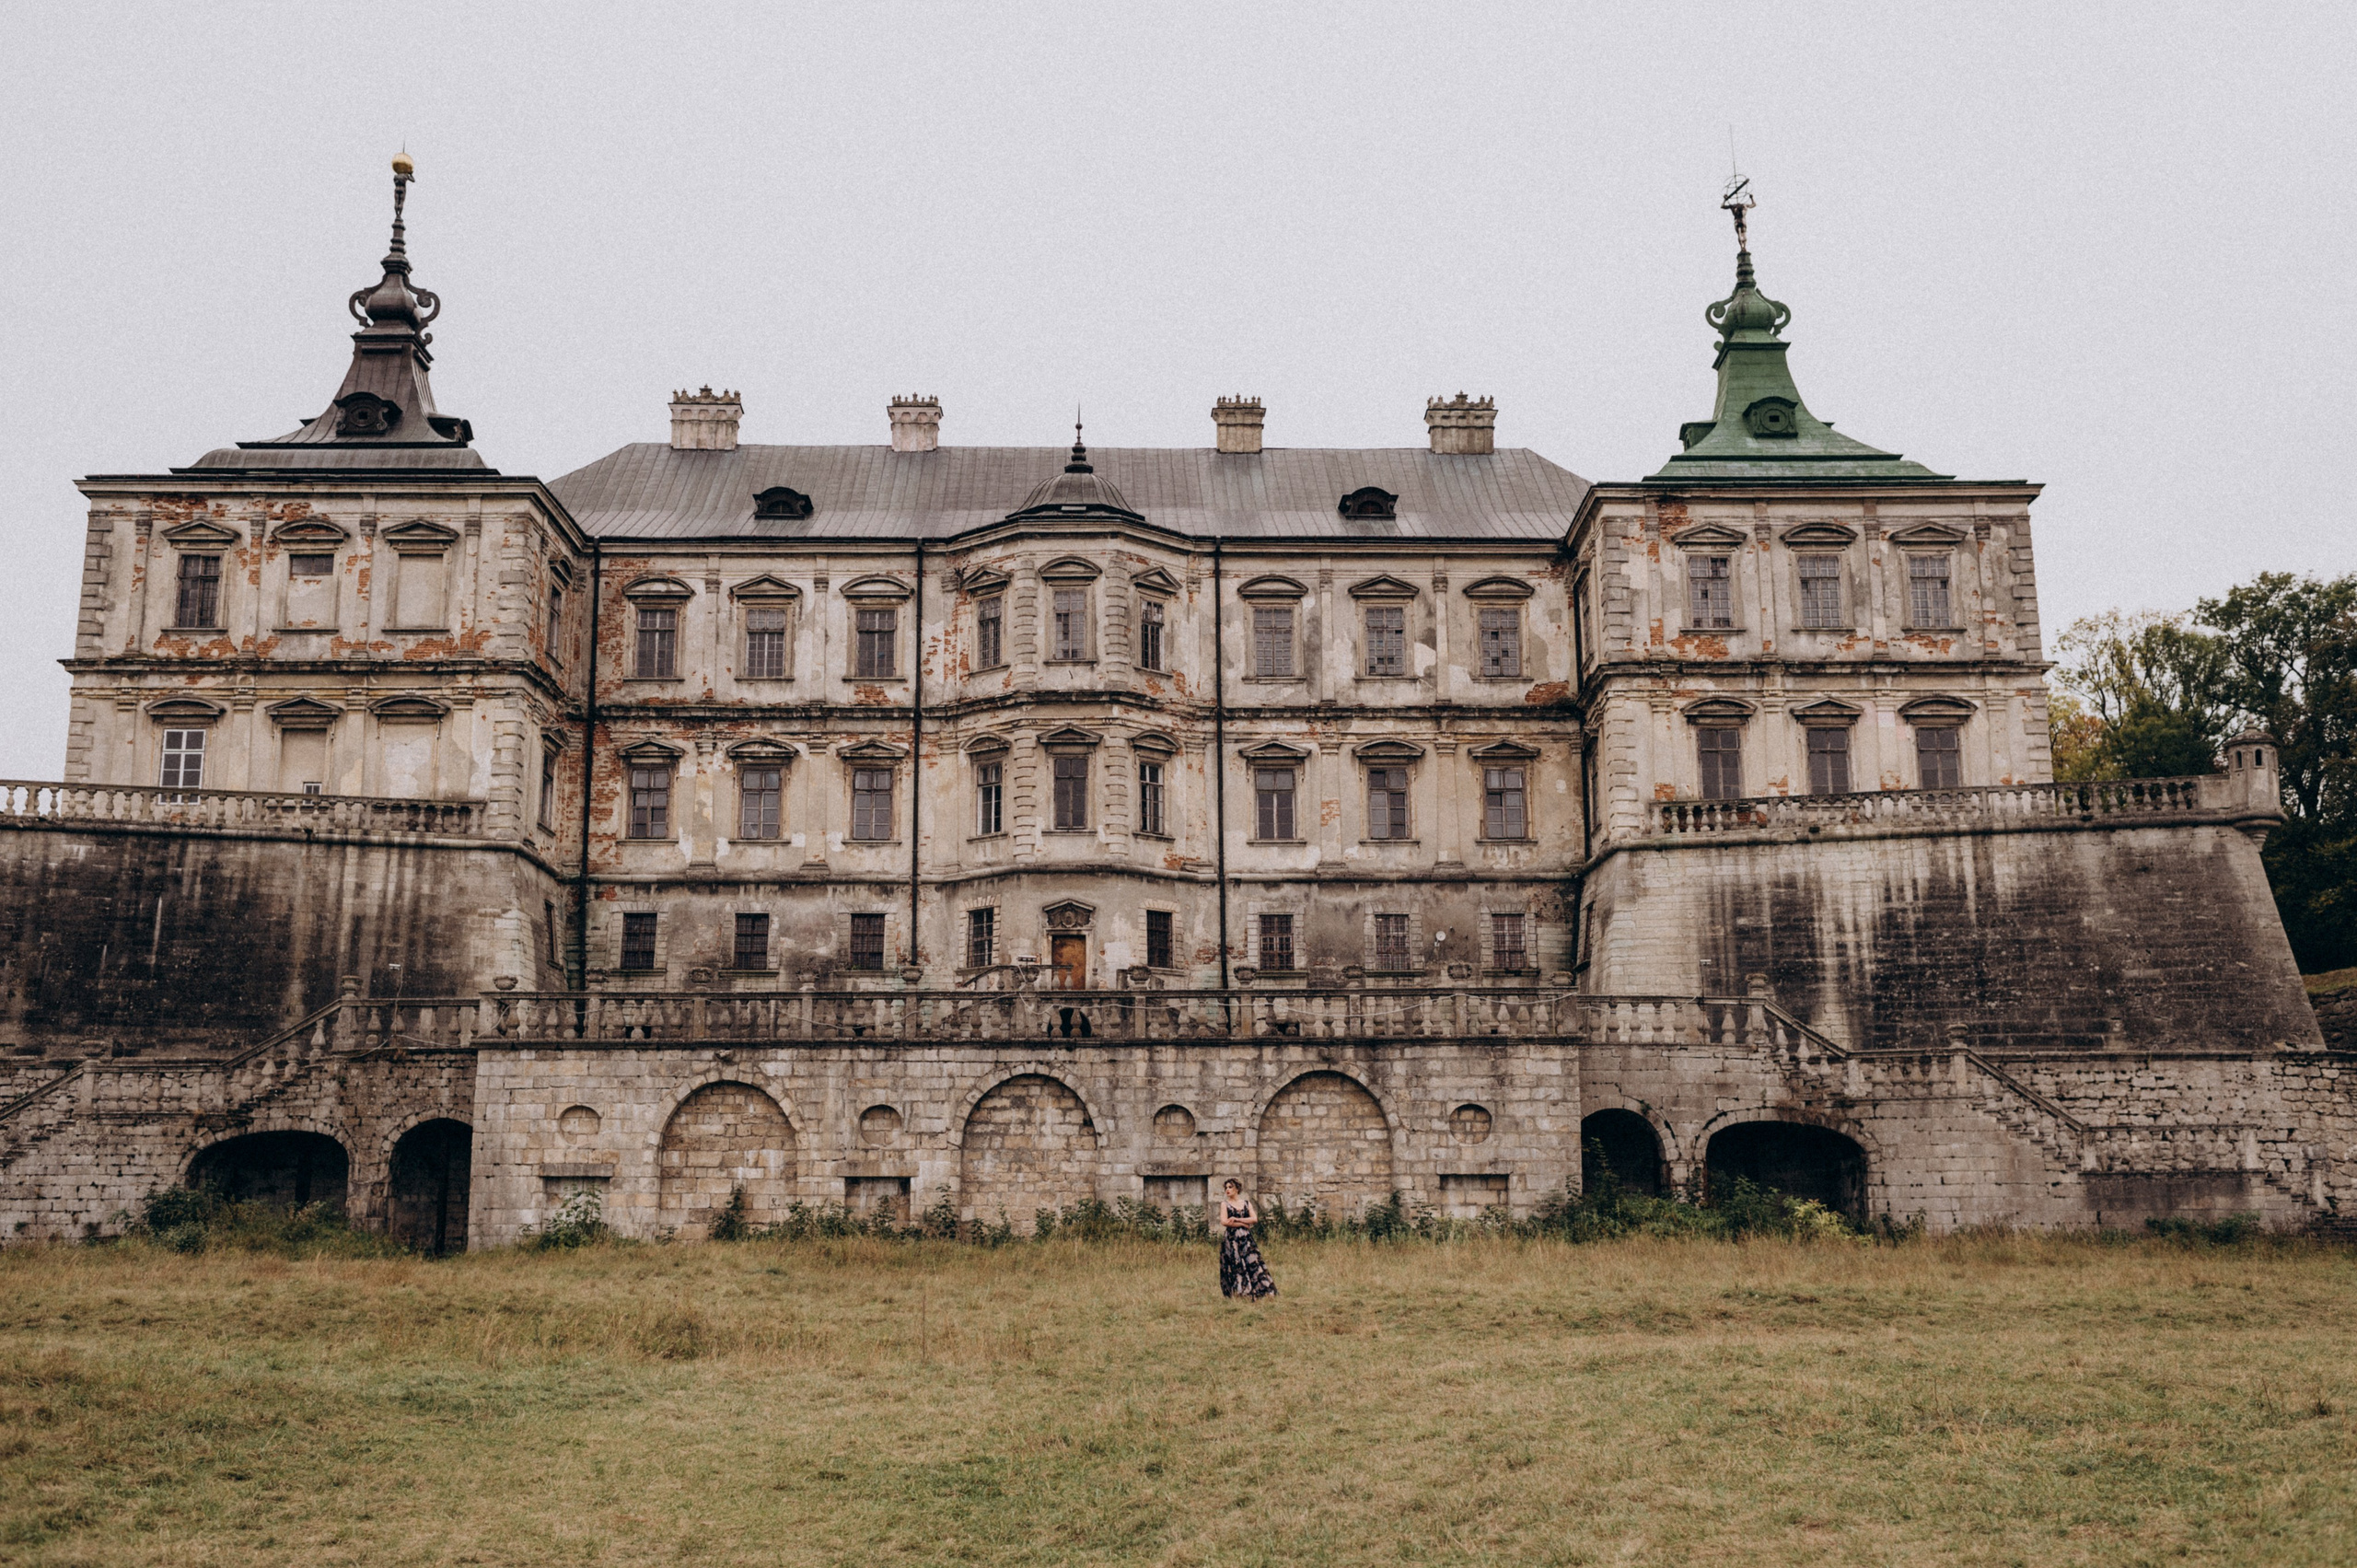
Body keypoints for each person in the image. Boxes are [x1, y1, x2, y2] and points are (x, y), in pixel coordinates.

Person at [1217, 1179, 1277, 1300]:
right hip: (1232, 1239)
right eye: (1226, 1188)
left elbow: (1254, 1219)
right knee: (1236, 1263)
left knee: (1252, 1261)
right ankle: (1240, 1291)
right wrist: (1244, 1224)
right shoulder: (1225, 1204)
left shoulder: (1246, 1203)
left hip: (1246, 1239)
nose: (1227, 1190)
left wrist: (1237, 1219)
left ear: (1237, 1189)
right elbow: (1224, 1222)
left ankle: (1260, 1288)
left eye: (1230, 1187)